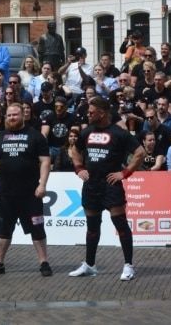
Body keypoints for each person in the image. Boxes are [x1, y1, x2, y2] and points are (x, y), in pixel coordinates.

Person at [69, 96, 145, 281]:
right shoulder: (86, 132)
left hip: (111, 186)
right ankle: (90, 265)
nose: (88, 114)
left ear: (102, 113)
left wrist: (124, 173)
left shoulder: (119, 133)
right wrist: (79, 168)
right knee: (92, 227)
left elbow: (140, 153)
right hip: (91, 186)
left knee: (120, 225)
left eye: (92, 112)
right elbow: (74, 150)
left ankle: (128, 265)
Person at [0, 103, 52, 277]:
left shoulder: (36, 136)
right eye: (9, 115)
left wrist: (42, 184)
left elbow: (45, 161)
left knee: (37, 229)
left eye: (15, 115)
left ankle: (44, 262)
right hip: (6, 194)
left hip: (31, 194)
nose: (12, 118)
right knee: (4, 229)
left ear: (22, 115)